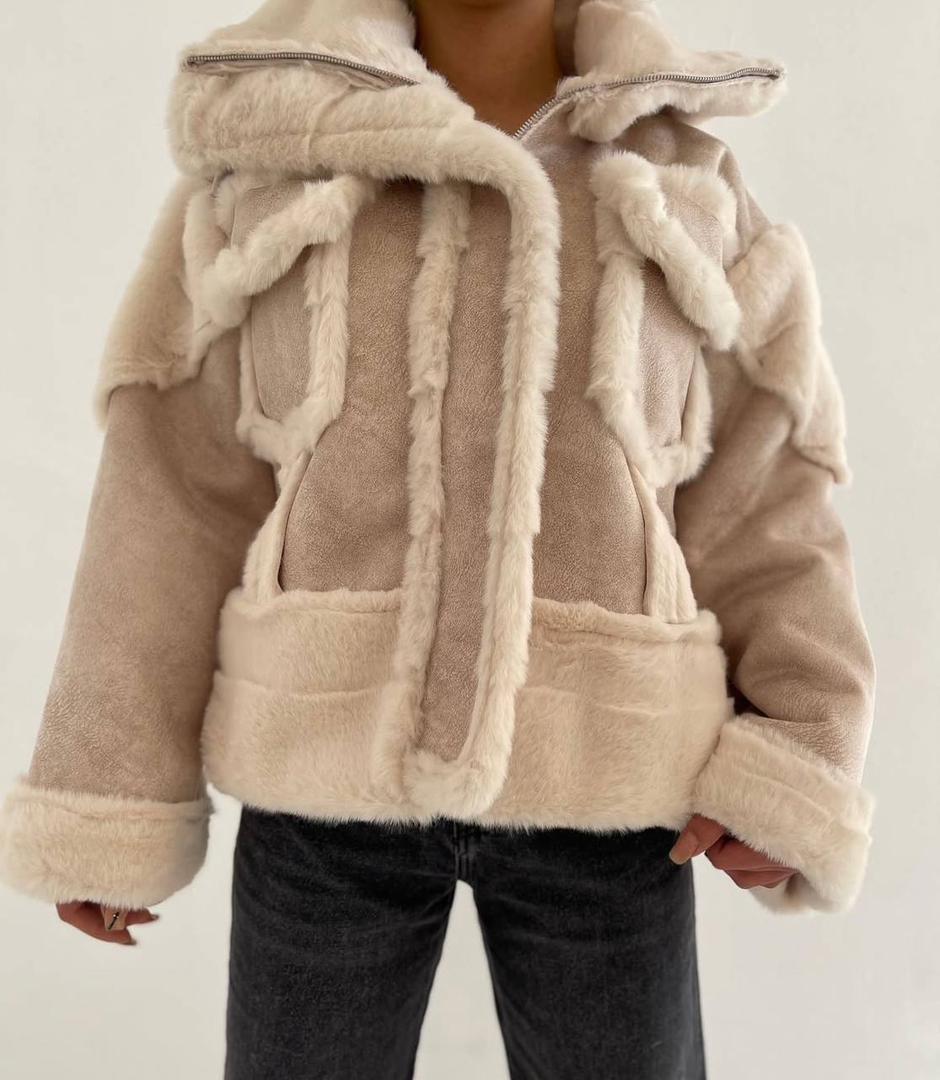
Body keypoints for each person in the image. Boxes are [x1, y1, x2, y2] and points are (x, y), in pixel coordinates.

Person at [0, 1, 877, 1076]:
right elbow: (170, 493)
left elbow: (765, 491)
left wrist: (799, 750)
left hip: (609, 795)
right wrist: (109, 787)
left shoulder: (685, 180)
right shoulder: (271, 161)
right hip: (323, 794)